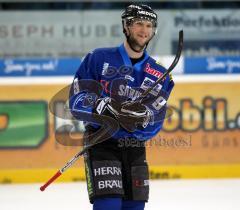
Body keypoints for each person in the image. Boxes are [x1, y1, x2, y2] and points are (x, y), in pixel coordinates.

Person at [69, 3, 174, 210]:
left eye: (149, 25)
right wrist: (100, 108)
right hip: (101, 143)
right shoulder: (98, 58)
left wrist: (142, 119)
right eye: (138, 24)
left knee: (134, 207)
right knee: (108, 205)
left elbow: (156, 122)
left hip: (134, 148)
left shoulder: (160, 74)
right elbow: (76, 100)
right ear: (126, 26)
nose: (144, 30)